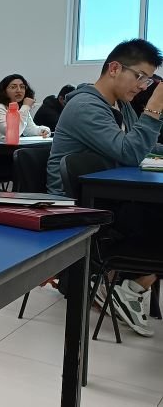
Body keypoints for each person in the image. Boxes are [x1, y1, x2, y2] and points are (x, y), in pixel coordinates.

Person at [46, 39, 163, 337]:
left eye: (148, 80)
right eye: (140, 77)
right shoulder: (85, 106)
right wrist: (153, 111)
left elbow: (142, 146)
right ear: (114, 68)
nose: (143, 86)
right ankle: (132, 286)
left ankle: (119, 282)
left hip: (110, 193)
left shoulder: (120, 105)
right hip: (79, 203)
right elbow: (129, 152)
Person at [0, 74, 50, 142]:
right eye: (13, 87)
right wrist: (26, 107)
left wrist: (42, 130)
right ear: (4, 91)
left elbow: (29, 129)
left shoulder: (19, 106)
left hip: (4, 149)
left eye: (22, 87)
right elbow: (14, 133)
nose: (19, 90)